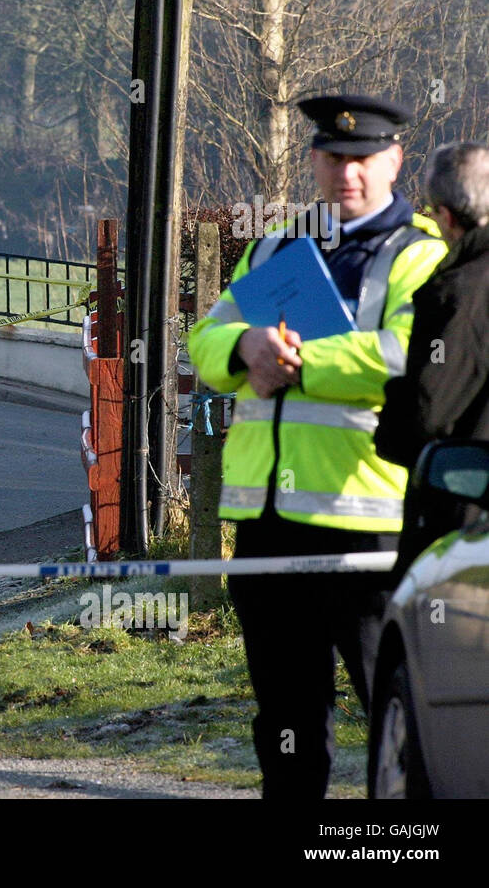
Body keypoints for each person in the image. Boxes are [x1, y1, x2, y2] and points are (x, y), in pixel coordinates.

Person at [188, 93, 448, 799]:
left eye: (363, 159)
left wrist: (300, 362)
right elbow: (204, 342)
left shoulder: (419, 257)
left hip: (362, 522)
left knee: (391, 709)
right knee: (285, 717)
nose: (348, 174)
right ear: (313, 161)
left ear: (395, 160)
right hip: (266, 524)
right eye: (333, 159)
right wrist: (245, 345)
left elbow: (409, 357)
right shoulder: (278, 247)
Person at [374, 141, 489, 563]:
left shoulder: (457, 292)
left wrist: (388, 420)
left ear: (442, 214)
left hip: (463, 524)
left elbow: (428, 413)